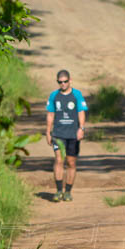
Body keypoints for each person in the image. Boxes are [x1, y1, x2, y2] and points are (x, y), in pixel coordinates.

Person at [45, 69, 87, 201]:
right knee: (59, 160)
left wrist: (81, 128)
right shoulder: (54, 96)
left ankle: (68, 191)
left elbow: (81, 112)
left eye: (65, 81)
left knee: (71, 162)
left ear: (70, 80)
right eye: (60, 82)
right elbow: (50, 114)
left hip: (73, 134)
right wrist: (48, 132)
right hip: (58, 133)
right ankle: (58, 191)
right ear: (57, 82)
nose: (63, 84)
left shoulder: (77, 95)